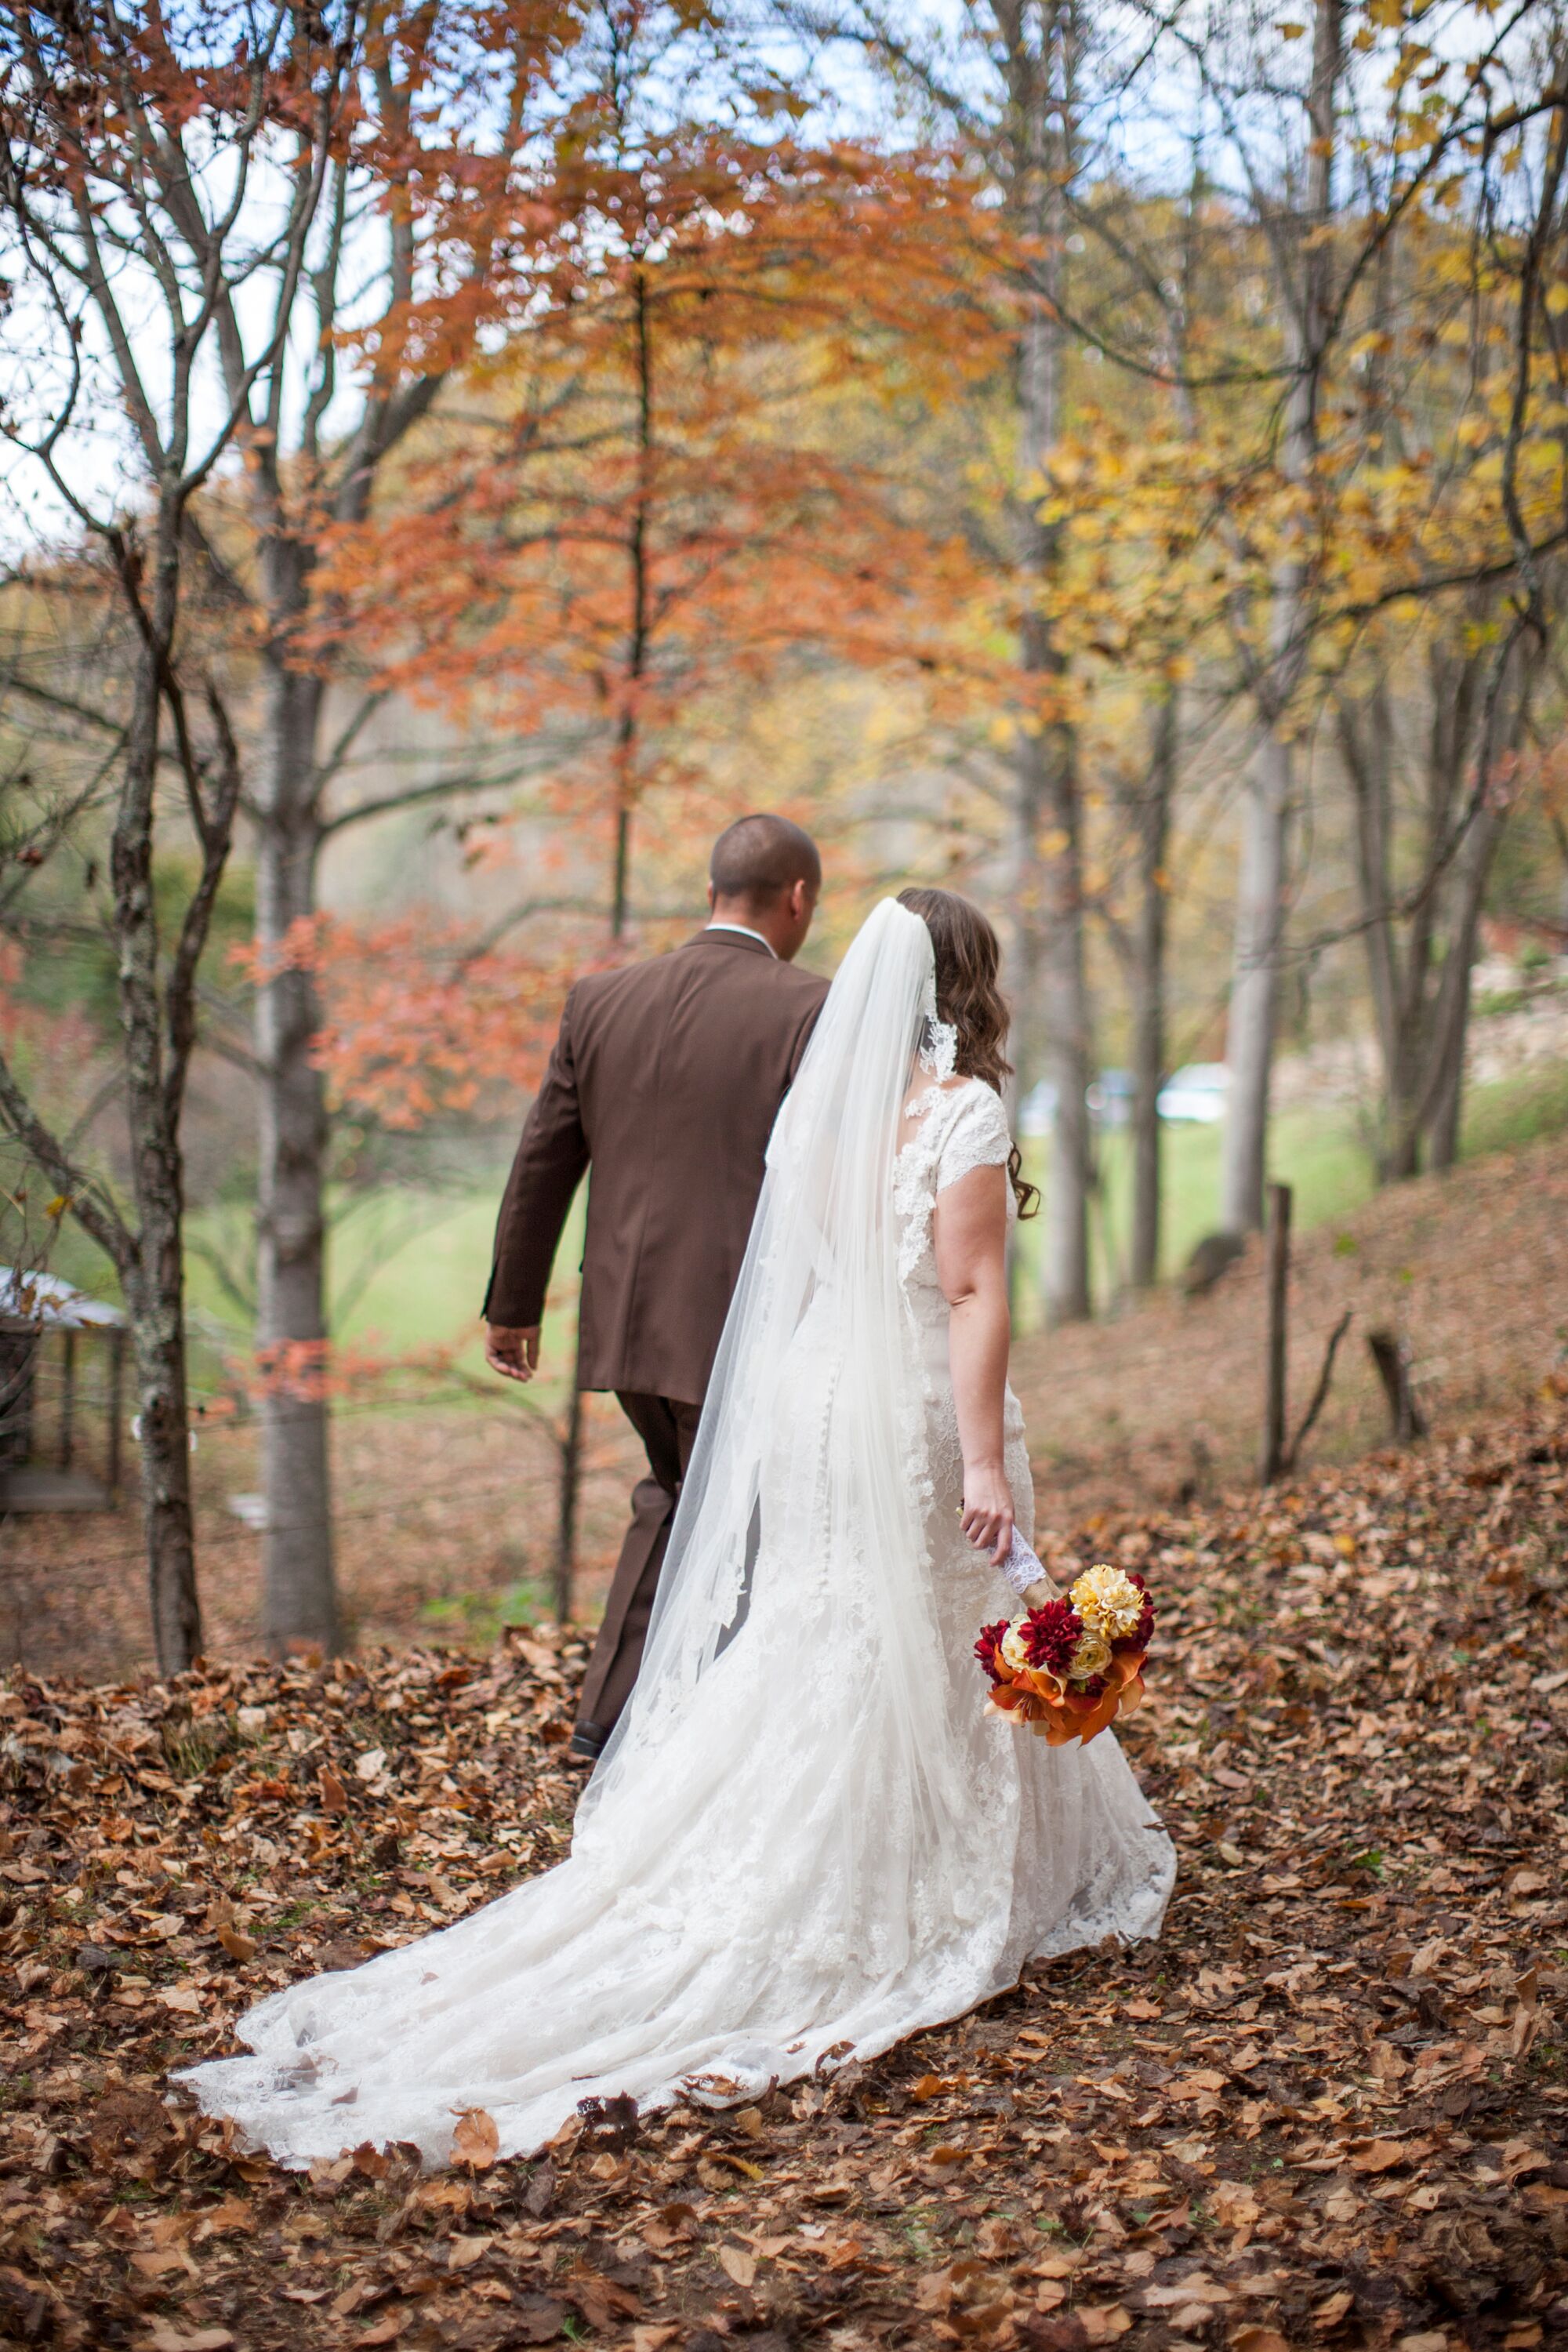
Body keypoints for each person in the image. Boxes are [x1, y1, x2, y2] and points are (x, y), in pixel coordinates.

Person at [180, 891, 1174, 2171]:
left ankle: (795, 1844)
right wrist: (982, 1456)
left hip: (816, 1402)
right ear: (973, 986)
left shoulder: (826, 1112)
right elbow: (971, 1288)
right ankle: (906, 1884)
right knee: (921, 1631)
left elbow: (802, 1271)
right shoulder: (964, 1113)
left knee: (828, 1625)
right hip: (915, 1406)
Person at [481, 814, 829, 1760]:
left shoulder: (600, 1000)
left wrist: (513, 1305)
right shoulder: (810, 1007)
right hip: (743, 1329)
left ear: (712, 888)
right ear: (797, 898)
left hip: (628, 1328)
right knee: (748, 1516)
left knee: (676, 1494)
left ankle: (608, 1719)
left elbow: (543, 1159)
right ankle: (712, 1742)